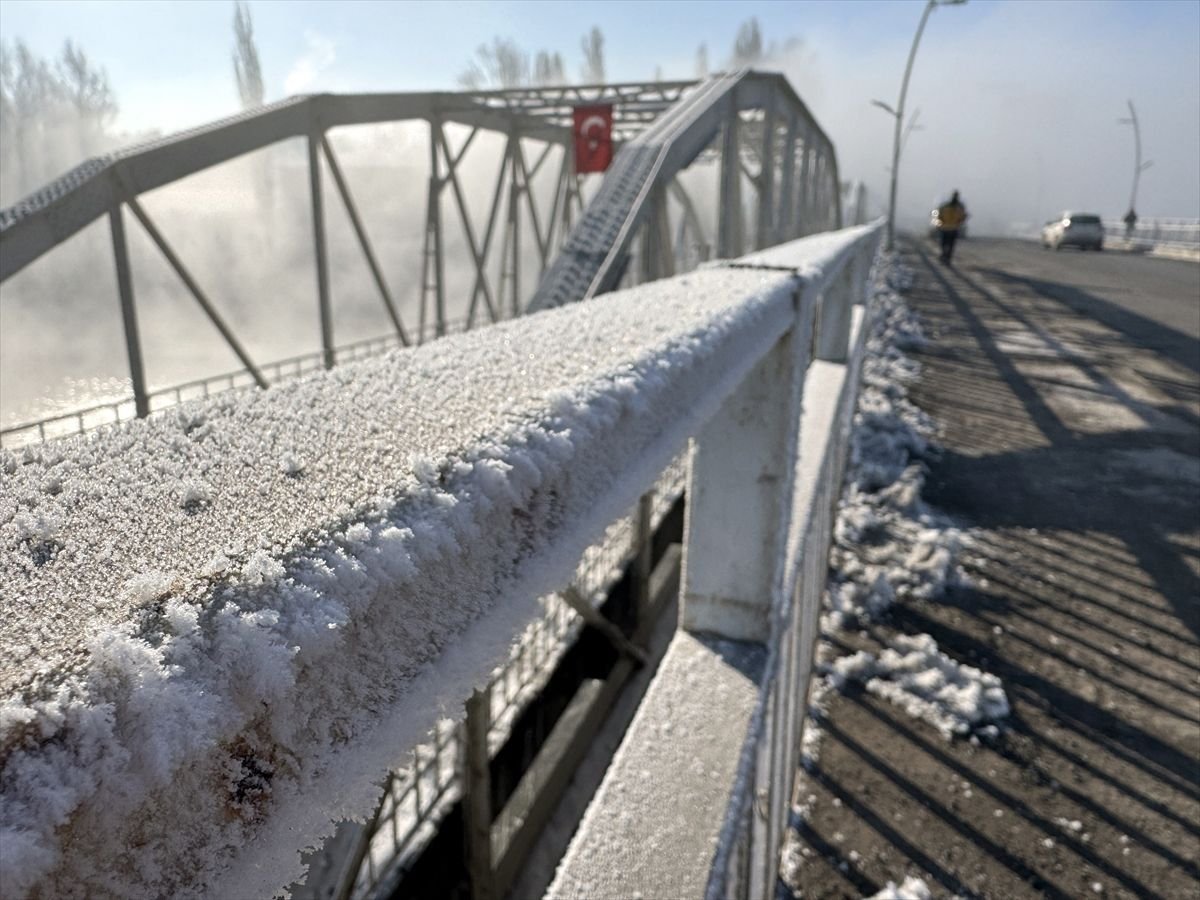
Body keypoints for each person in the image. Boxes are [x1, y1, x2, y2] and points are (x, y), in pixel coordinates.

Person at [936, 191, 968, 264]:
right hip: (953, 228)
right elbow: (963, 217)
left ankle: (944, 255)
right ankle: (947, 257)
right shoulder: (960, 207)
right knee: (951, 244)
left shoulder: (945, 206)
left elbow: (939, 215)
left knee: (944, 243)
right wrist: (959, 222)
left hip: (945, 228)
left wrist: (940, 222)